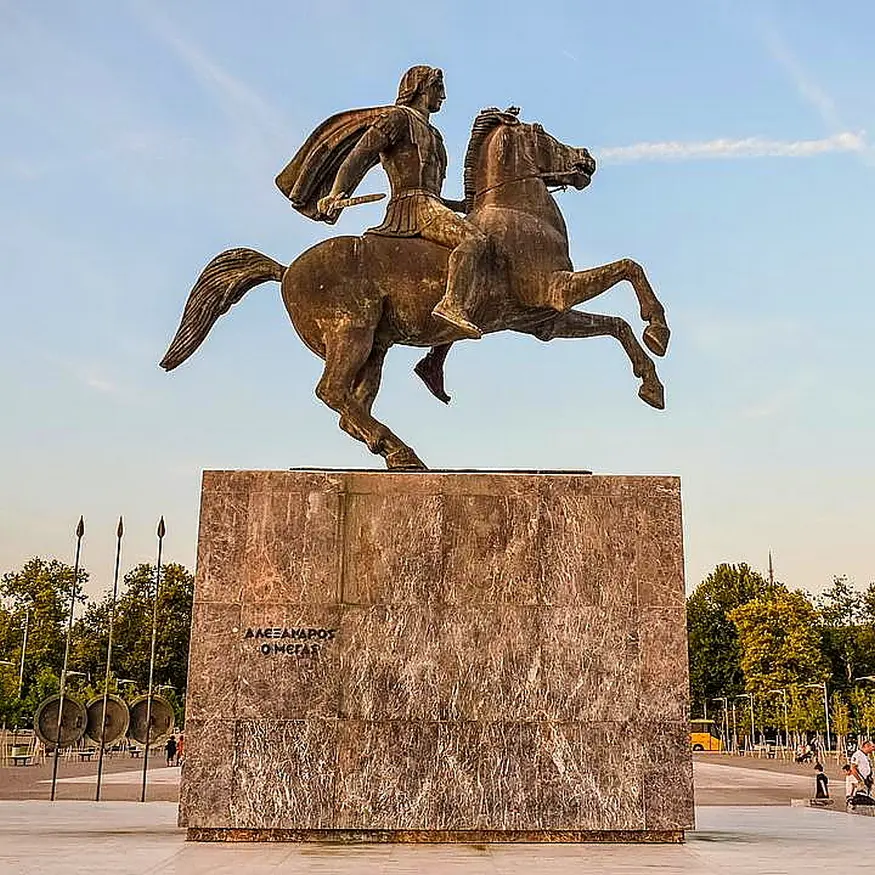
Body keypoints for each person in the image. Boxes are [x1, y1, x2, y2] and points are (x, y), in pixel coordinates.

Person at [277, 65, 493, 403]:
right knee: (475, 243)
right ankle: (451, 306)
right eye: (439, 88)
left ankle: (435, 358)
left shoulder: (434, 136)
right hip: (413, 210)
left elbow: (433, 191)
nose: (444, 96)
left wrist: (465, 203)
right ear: (422, 87)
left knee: (466, 275)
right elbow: (360, 155)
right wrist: (338, 191)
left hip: (433, 205)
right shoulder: (397, 119)